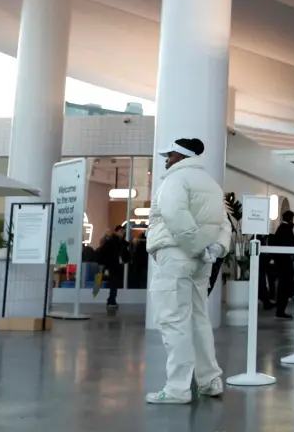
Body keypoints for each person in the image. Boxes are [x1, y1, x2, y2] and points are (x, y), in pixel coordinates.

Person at [145, 138, 232, 405]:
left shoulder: (175, 180)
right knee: (198, 319)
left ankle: (177, 388)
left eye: (169, 155)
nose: (166, 160)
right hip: (202, 260)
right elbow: (224, 223)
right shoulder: (212, 184)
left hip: (176, 255)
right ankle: (210, 380)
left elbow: (174, 215)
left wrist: (196, 246)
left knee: (173, 320)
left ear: (181, 156)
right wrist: (215, 248)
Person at [267, 211, 294, 319]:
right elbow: (288, 244)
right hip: (284, 263)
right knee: (284, 286)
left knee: (283, 286)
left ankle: (280, 309)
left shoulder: (281, 228)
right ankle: (281, 310)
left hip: (281, 262)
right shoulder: (286, 229)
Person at [98, 224, 130, 309]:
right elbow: (104, 254)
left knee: (115, 283)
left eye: (123, 232)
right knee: (114, 283)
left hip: (117, 265)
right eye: (121, 231)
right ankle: (111, 300)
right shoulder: (112, 242)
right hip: (112, 265)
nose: (122, 233)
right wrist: (105, 266)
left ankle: (112, 300)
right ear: (116, 232)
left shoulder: (121, 243)